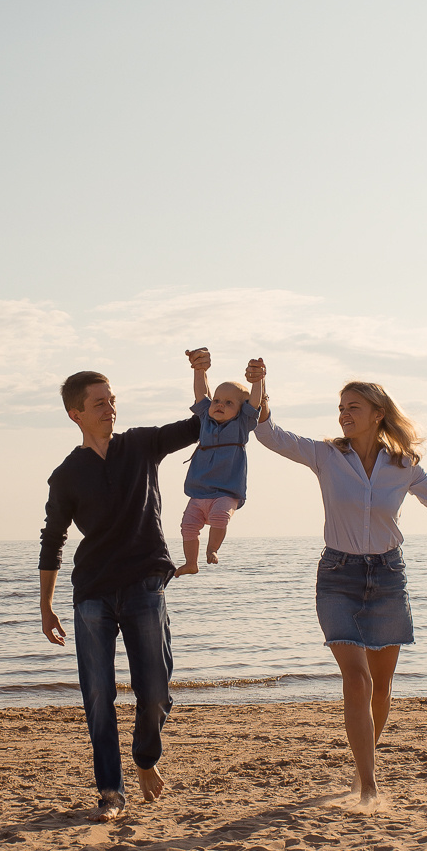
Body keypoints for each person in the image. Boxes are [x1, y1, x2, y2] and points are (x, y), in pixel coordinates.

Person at [251, 361, 427, 807]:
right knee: (356, 682)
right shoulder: (326, 455)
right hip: (338, 576)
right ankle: (368, 783)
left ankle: (363, 767)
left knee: (380, 686)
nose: (344, 414)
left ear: (378, 413)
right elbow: (268, 434)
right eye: (341, 407)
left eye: (353, 407)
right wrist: (259, 384)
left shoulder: (404, 465)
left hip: (387, 576)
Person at [38, 369, 200, 821]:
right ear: (76, 415)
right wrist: (46, 605)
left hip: (145, 585)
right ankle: (111, 791)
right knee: (98, 696)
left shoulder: (141, 445)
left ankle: (146, 757)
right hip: (93, 593)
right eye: (99, 403)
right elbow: (52, 540)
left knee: (156, 692)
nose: (110, 408)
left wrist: (204, 377)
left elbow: (198, 425)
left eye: (112, 400)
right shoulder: (67, 474)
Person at [174, 347, 267, 576]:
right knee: (188, 525)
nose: (219, 405)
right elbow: (200, 394)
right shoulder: (205, 418)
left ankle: (212, 550)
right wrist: (199, 370)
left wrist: (259, 381)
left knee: (219, 517)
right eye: (217, 400)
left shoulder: (242, 424)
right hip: (199, 490)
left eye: (228, 403)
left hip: (227, 491)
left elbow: (254, 403)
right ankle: (190, 562)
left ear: (240, 410)